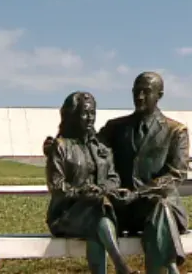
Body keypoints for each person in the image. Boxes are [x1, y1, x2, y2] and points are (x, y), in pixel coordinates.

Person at [96, 72, 190, 274]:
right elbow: (89, 148)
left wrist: (138, 193)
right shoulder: (115, 128)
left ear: (159, 94)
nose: (139, 97)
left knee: (160, 207)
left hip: (157, 209)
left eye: (146, 92)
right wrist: (58, 143)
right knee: (100, 207)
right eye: (136, 91)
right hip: (124, 210)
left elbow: (176, 174)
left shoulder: (176, 131)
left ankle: (168, 268)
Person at [44, 91, 139, 274]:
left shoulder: (101, 146)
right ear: (72, 116)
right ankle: (121, 267)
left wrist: (102, 189)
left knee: (97, 223)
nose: (90, 119)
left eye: (93, 113)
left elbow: (114, 178)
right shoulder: (61, 147)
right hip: (67, 215)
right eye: (84, 113)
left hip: (99, 212)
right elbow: (56, 186)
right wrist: (82, 191)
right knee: (98, 212)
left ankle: (120, 267)